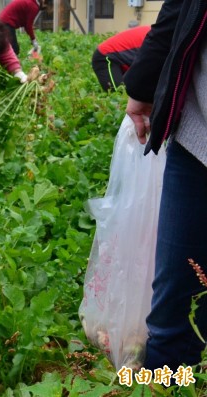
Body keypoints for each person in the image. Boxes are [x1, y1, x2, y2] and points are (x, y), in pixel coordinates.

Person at [124, 0, 207, 370]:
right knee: (177, 291)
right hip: (198, 136)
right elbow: (179, 10)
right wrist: (142, 86)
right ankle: (171, 379)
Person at [92, 25, 150, 92]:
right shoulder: (156, 39)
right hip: (106, 57)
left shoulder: (157, 34)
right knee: (119, 94)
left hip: (124, 60)